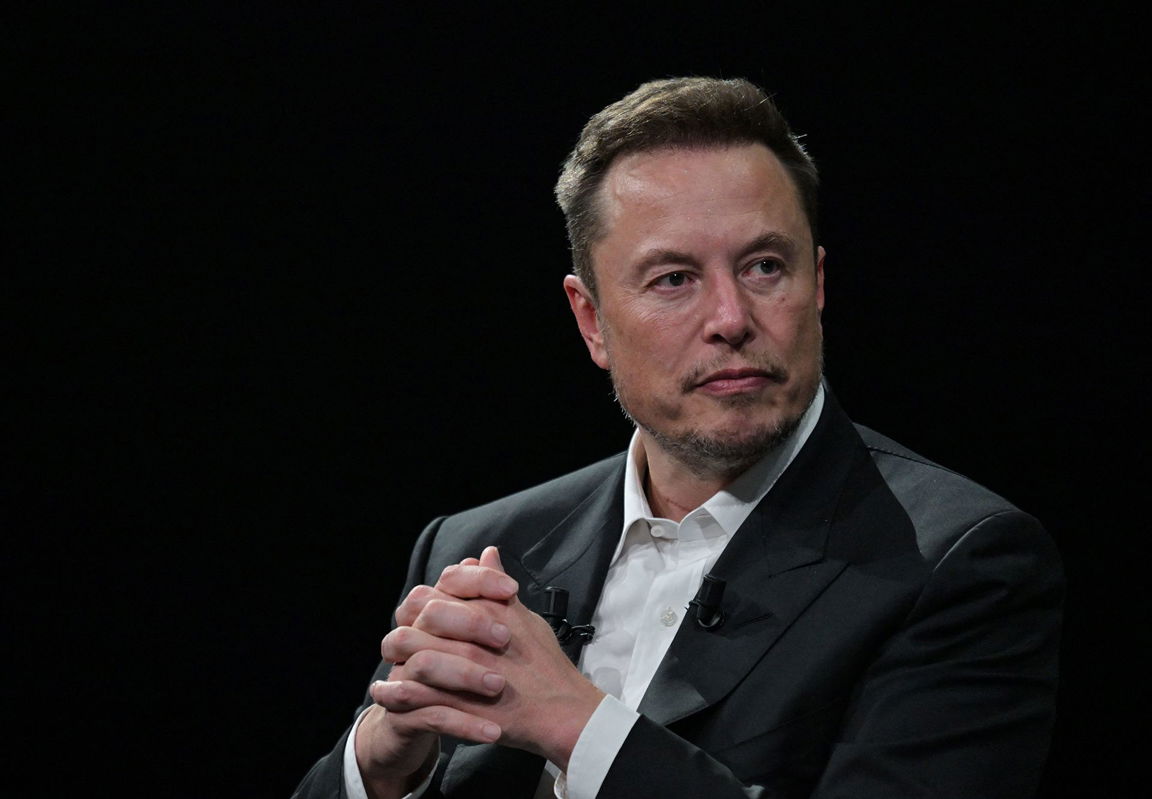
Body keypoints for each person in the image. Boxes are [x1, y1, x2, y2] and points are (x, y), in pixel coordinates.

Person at [293, 77, 1062, 799]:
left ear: (818, 286)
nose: (731, 318)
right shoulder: (479, 544)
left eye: (765, 266)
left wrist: (577, 723)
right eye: (673, 279)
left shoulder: (960, 560)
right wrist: (382, 758)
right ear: (591, 320)